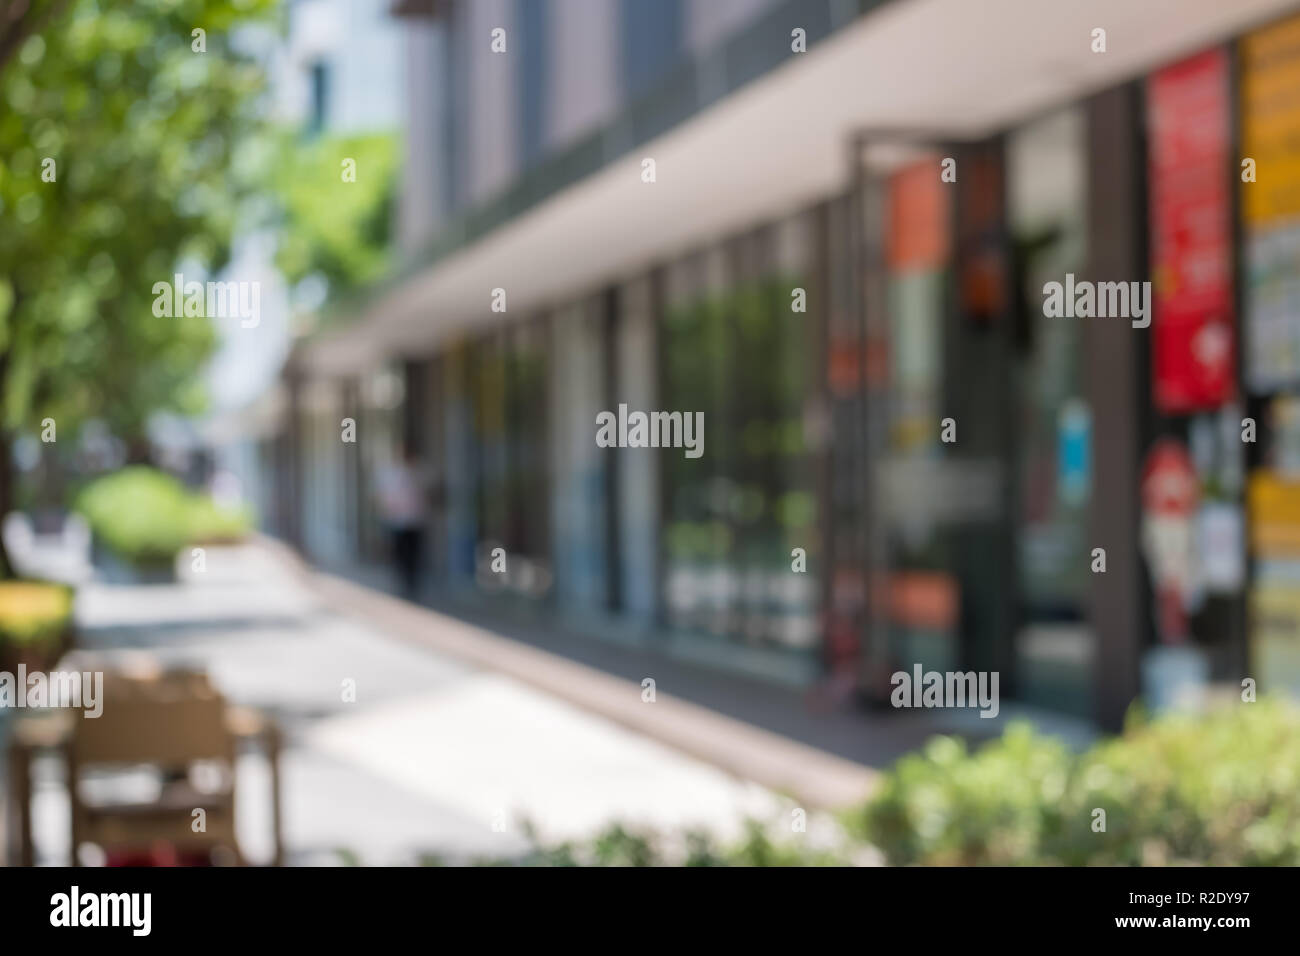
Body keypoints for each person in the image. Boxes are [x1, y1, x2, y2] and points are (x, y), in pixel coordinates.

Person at [375, 443, 428, 599]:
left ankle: (412, 581)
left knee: (413, 552)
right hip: (397, 521)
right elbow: (384, 496)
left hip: (415, 521)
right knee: (400, 553)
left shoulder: (419, 472)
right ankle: (402, 580)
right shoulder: (392, 473)